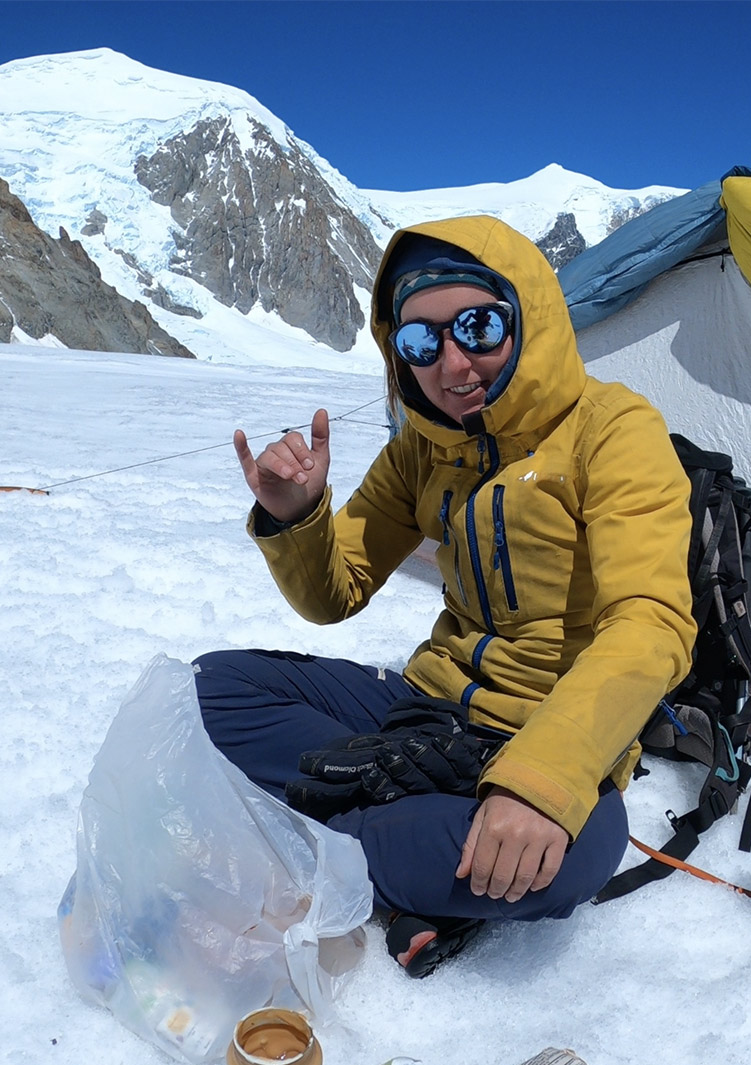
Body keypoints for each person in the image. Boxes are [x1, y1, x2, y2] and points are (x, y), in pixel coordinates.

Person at [196, 216, 697, 977]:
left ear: (527, 316)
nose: (452, 364)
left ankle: (306, 831)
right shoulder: (424, 447)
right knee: (212, 689)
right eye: (420, 342)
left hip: (544, 730)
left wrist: (539, 785)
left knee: (579, 852)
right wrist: (297, 518)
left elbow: (650, 624)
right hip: (423, 713)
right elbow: (337, 591)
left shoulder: (612, 432)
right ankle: (400, 850)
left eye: (478, 326)